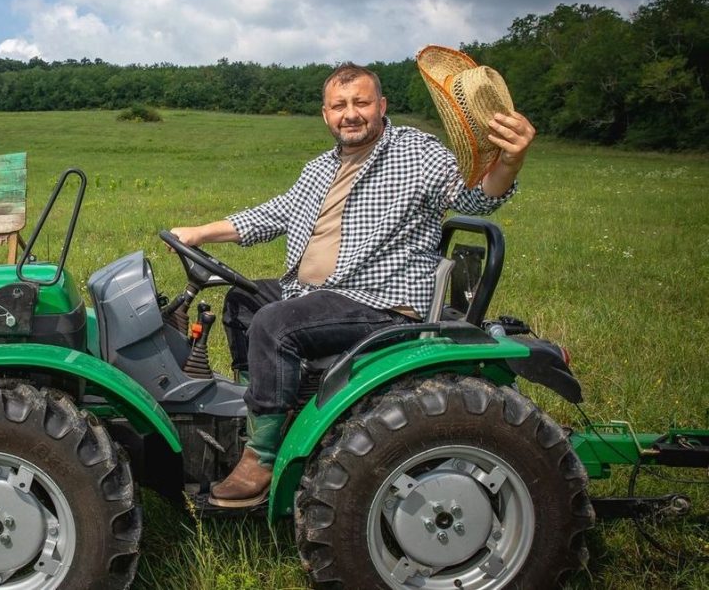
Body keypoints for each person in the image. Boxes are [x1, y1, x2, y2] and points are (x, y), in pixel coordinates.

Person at [169, 62, 536, 508]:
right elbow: (275, 213)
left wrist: (510, 161)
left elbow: (472, 195)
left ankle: (261, 458)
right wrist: (199, 232)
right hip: (320, 295)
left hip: (380, 300)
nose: (351, 114)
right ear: (326, 114)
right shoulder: (321, 168)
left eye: (361, 102)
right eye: (339, 105)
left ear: (381, 106)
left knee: (274, 324)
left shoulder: (416, 153)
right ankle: (267, 418)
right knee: (244, 301)